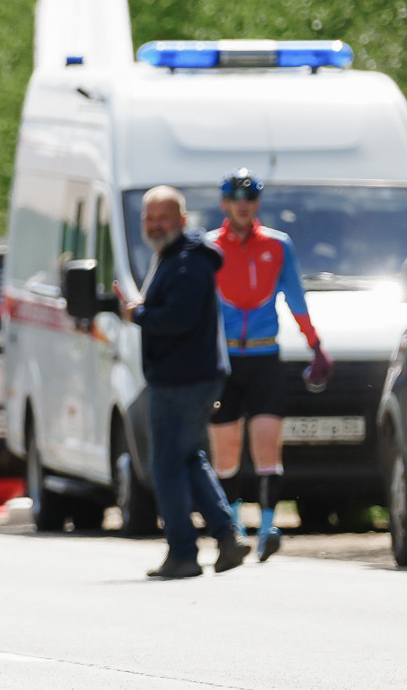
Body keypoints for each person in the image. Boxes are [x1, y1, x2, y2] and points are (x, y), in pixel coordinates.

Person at [121, 186, 250, 579]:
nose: (156, 226)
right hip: (189, 375)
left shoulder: (188, 263)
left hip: (184, 378)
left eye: (163, 218)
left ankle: (182, 553)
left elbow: (179, 318)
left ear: (182, 219)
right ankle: (227, 536)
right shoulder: (172, 257)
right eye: (149, 219)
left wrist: (138, 314)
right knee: (188, 457)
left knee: (166, 464)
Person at [209, 168, 330, 561]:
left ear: (256, 204)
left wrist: (316, 345)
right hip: (225, 361)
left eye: (250, 199)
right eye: (236, 199)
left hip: (264, 356)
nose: (243, 206)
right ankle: (232, 528)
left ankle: (267, 526)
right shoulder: (209, 247)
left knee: (267, 445)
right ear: (225, 204)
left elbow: (296, 298)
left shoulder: (279, 246)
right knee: (226, 452)